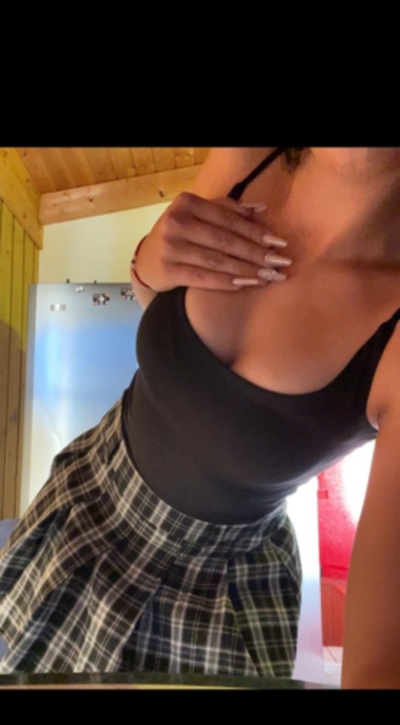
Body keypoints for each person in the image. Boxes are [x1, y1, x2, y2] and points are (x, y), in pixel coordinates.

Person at [1, 146, 400, 688]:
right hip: (87, 492)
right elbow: (156, 301)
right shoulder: (249, 157)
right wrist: (148, 259)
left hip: (210, 596)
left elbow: (379, 666)